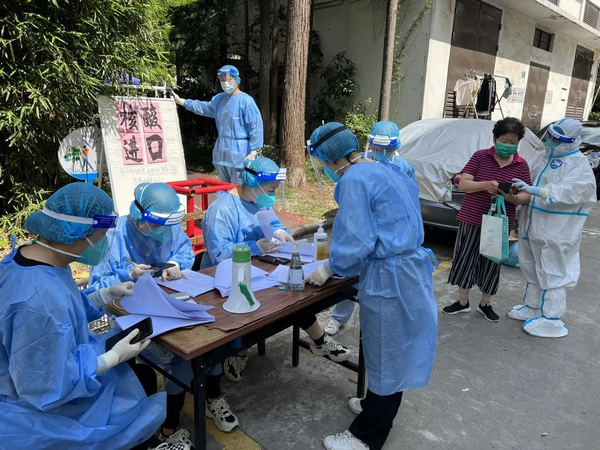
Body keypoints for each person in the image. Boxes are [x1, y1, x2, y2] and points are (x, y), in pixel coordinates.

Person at [0, 183, 185, 450]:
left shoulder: (39, 260)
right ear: (77, 234)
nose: (102, 244)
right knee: (135, 393)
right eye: (100, 237)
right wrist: (110, 358)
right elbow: (44, 385)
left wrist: (102, 296)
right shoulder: (38, 301)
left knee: (141, 376)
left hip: (59, 372)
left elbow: (67, 308)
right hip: (42, 413)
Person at [305, 122, 438, 450]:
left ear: (329, 158)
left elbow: (356, 240)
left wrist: (329, 267)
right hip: (410, 269)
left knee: (387, 354)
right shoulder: (386, 168)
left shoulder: (354, 180)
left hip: (389, 277)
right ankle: (372, 405)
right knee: (394, 351)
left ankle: (366, 436)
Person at [200, 157, 352, 431]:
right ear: (252, 182)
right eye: (269, 189)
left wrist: (280, 232)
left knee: (295, 294)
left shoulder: (259, 200)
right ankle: (216, 387)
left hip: (259, 273)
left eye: (273, 190)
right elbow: (219, 255)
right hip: (222, 282)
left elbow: (271, 224)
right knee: (222, 334)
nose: (271, 196)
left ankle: (315, 340)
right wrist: (254, 246)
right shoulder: (222, 210)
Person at [87, 182, 196, 448]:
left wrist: (176, 264)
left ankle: (170, 424)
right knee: (146, 369)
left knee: (185, 357)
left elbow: (184, 251)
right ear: (138, 215)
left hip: (167, 306)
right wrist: (127, 275)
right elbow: (96, 289)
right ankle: (148, 429)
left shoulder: (168, 223)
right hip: (126, 315)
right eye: (156, 225)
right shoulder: (113, 236)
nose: (162, 231)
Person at [507, 118, 596, 337]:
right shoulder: (543, 157)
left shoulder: (578, 164)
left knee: (553, 271)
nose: (551, 143)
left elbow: (576, 191)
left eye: (557, 140)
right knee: (531, 266)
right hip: (532, 225)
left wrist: (539, 191)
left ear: (570, 141)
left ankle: (551, 319)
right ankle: (533, 306)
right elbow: (526, 177)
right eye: (551, 137)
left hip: (557, 230)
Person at [325, 120, 414, 335]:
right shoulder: (364, 168)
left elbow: (356, 239)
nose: (380, 152)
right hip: (393, 258)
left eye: (386, 148)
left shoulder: (399, 169)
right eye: (377, 147)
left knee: (384, 328)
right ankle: (338, 318)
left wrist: (331, 266)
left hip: (386, 257)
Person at [442, 117, 532, 322]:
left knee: (492, 263)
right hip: (471, 217)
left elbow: (526, 193)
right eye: (504, 141)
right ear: (494, 139)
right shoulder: (480, 157)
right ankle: (462, 302)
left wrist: (513, 198)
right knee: (465, 258)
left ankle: (485, 304)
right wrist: (484, 185)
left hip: (499, 223)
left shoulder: (521, 165)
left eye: (513, 142)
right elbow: (463, 184)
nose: (508, 145)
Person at [172, 65, 263, 184]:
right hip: (222, 152)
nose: (225, 82)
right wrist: (183, 102)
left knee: (239, 189)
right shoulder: (219, 100)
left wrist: (254, 149)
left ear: (237, 80)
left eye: (229, 79)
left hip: (240, 153)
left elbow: (255, 126)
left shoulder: (246, 101)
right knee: (223, 188)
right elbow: (204, 107)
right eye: (222, 79)